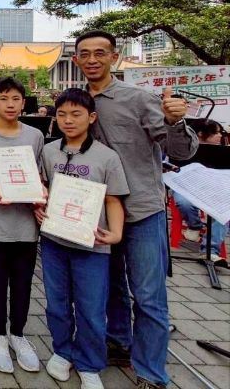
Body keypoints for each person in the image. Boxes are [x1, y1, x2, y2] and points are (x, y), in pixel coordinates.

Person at [72, 30, 197, 389]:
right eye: (85, 54)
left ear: (115, 56)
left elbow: (182, 152)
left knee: (148, 295)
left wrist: (176, 122)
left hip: (141, 211)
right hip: (93, 210)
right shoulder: (76, 103)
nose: (92, 59)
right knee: (107, 287)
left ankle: (151, 372)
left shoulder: (139, 99)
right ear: (77, 60)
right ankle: (118, 342)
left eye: (100, 53)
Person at [35, 88, 129, 389]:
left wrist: (115, 233)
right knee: (57, 303)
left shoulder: (107, 157)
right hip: (54, 242)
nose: (68, 120)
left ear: (91, 117)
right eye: (61, 114)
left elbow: (113, 200)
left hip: (92, 245)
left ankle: (90, 363)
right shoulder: (49, 151)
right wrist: (40, 205)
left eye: (76, 114)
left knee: (91, 307)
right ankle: (63, 351)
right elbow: (43, 187)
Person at [0, 76, 45, 375]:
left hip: (26, 220)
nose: (10, 104)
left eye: (15, 99)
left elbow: (40, 174)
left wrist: (40, 192)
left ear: (23, 103)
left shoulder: (35, 136)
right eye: (3, 98)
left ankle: (19, 334)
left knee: (24, 281)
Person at [171, 119, 228, 265]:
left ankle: (210, 251)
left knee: (222, 213)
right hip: (187, 186)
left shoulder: (224, 151)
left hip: (215, 189)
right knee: (183, 202)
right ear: (201, 134)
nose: (220, 136)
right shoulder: (184, 149)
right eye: (216, 133)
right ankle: (195, 225)